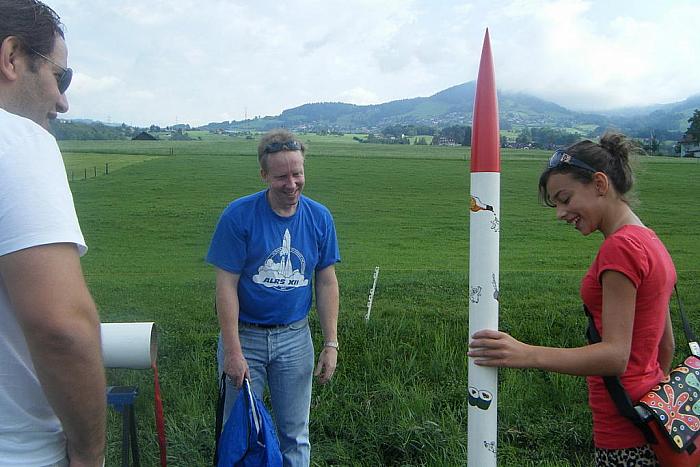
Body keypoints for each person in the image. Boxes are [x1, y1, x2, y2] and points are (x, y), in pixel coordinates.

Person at [468, 132, 676, 466]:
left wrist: (525, 353)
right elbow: (665, 346)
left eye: (565, 199)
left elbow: (614, 357)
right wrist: (650, 398)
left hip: (623, 431)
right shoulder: (648, 239)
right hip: (653, 419)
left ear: (599, 183)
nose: (560, 213)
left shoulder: (620, 249)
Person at [0, 1, 106, 466]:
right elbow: (61, 326)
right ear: (12, 57)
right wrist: (90, 452)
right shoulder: (17, 139)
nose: (62, 100)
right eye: (59, 77)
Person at [207, 128, 340, 466]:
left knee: (295, 435)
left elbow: (325, 281)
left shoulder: (319, 218)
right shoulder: (238, 216)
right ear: (263, 175)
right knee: (240, 431)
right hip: (245, 337)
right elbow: (226, 286)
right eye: (282, 176)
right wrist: (233, 352)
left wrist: (331, 343)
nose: (292, 183)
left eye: (298, 173)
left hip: (295, 339)